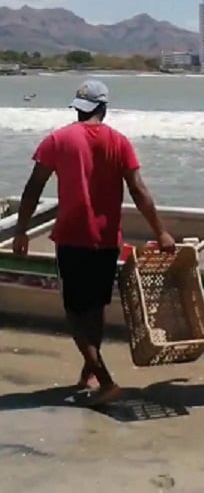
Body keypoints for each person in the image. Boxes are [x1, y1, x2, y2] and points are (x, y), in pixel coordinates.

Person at [12, 79, 176, 406]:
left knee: (74, 313)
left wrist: (22, 230)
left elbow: (33, 188)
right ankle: (90, 371)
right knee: (95, 308)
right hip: (106, 240)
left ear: (78, 107)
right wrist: (160, 232)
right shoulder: (120, 142)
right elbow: (139, 191)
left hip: (72, 238)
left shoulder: (58, 139)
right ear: (104, 108)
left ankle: (105, 380)